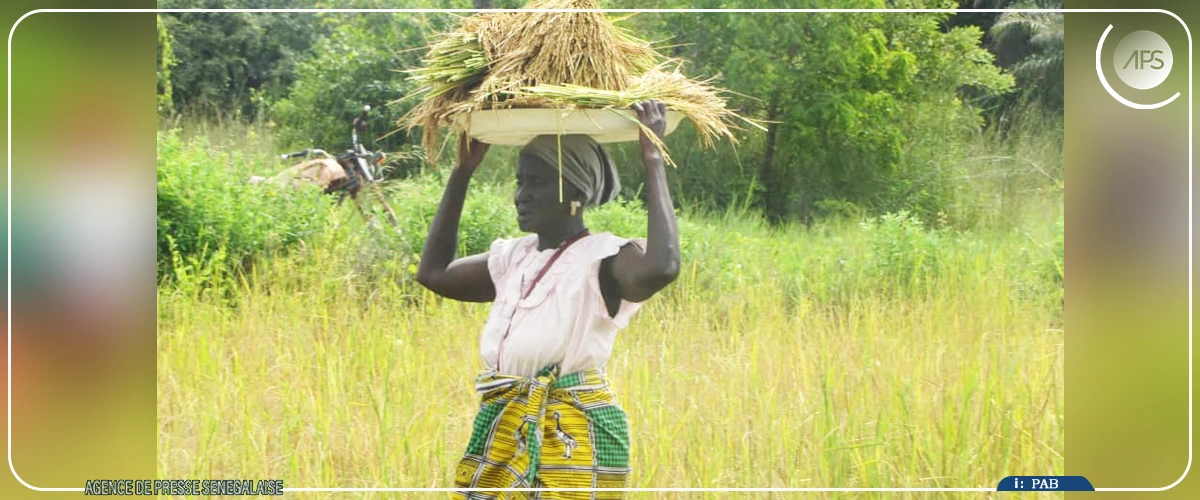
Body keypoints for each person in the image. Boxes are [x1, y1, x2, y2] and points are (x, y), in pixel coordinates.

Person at [416, 100, 681, 497]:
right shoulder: (514, 258)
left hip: (570, 433)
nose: (521, 195)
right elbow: (433, 274)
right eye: (520, 182)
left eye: (536, 183)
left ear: (575, 190)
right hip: (506, 424)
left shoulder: (604, 258)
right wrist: (462, 172)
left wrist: (653, 158)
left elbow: (662, 267)